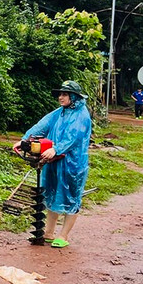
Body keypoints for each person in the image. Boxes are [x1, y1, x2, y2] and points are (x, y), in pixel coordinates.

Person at [13, 80, 92, 248]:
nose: (60, 97)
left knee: (71, 198)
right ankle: (48, 232)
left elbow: (73, 137)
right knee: (51, 193)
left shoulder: (82, 115)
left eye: (64, 94)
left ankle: (63, 235)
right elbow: (42, 126)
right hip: (54, 160)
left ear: (74, 97)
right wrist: (25, 141)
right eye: (60, 94)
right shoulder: (59, 112)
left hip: (73, 164)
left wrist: (56, 149)